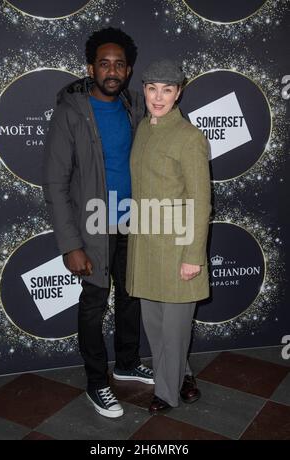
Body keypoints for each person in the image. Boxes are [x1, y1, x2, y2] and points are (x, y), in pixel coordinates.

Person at [43, 27, 153, 420]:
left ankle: (126, 362)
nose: (112, 71)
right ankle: (96, 381)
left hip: (132, 224)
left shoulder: (135, 107)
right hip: (91, 228)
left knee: (129, 296)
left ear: (128, 69)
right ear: (91, 67)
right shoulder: (70, 112)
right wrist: (70, 245)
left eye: (119, 64)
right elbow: (55, 183)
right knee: (93, 305)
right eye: (104, 64)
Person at [126, 59, 211, 414]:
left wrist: (194, 255)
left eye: (167, 90)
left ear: (179, 93)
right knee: (157, 328)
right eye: (151, 88)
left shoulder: (189, 137)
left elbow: (201, 200)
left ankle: (166, 393)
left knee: (174, 332)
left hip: (178, 249)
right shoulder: (144, 127)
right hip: (146, 247)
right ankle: (181, 375)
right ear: (143, 90)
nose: (158, 97)